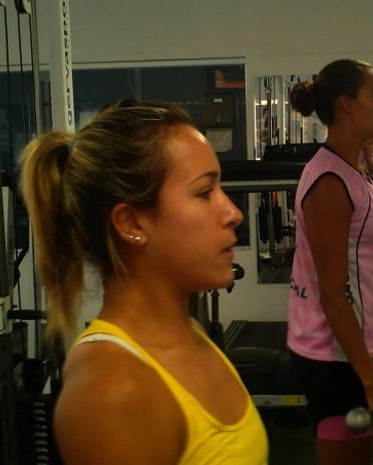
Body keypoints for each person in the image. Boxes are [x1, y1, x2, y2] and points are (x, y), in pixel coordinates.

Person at [19, 99, 268, 465]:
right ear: (132, 224)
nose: (233, 213)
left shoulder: (190, 334)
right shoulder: (113, 391)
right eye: (204, 192)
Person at [287, 59, 373, 465]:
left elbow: (355, 274)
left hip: (345, 350)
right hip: (330, 357)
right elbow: (332, 294)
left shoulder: (351, 172)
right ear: (346, 105)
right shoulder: (329, 182)